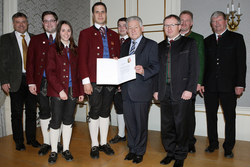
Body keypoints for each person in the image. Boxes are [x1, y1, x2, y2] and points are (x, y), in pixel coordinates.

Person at [153, 15, 199, 167]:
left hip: (182, 92)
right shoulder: (159, 46)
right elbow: (155, 71)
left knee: (181, 126)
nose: (169, 28)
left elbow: (194, 68)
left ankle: (180, 155)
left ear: (179, 26)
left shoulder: (189, 43)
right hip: (164, 92)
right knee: (167, 126)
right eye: (166, 25)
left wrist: (190, 89)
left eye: (172, 24)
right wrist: (155, 90)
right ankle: (170, 152)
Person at [78, 2, 120, 159]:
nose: (100, 14)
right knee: (94, 111)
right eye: (97, 12)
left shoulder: (114, 35)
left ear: (106, 14)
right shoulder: (85, 33)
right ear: (93, 14)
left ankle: (104, 142)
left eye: (103, 12)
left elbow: (119, 59)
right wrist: (85, 81)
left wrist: (117, 60)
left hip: (110, 80)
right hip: (93, 80)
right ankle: (94, 144)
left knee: (105, 111)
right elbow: (82, 59)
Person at [202, 11, 246, 158]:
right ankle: (213, 144)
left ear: (226, 21)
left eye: (219, 20)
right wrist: (201, 83)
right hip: (210, 87)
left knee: (230, 117)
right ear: (211, 24)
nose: (217, 23)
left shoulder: (237, 38)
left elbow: (241, 64)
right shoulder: (206, 41)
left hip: (229, 86)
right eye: (214, 21)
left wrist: (240, 84)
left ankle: (228, 147)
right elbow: (204, 65)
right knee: (211, 117)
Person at [121, 16, 159, 164]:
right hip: (125, 90)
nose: (132, 30)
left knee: (141, 123)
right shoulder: (124, 45)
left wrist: (144, 71)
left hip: (142, 90)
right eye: (129, 28)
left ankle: (140, 151)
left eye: (135, 27)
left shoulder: (151, 45)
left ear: (142, 28)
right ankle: (132, 148)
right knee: (129, 123)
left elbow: (156, 66)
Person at [0, 12, 41, 151]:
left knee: (31, 111)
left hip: (32, 81)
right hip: (14, 81)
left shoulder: (35, 39)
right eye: (18, 22)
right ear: (13, 24)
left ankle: (31, 139)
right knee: (16, 113)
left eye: (23, 21)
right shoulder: (5, 39)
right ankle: (18, 141)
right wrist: (4, 81)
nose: (21, 24)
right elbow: (2, 62)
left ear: (27, 23)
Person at [46, 20, 84, 164]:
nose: (66, 33)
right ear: (58, 32)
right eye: (63, 30)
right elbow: (50, 73)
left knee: (68, 121)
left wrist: (80, 91)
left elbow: (79, 72)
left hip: (73, 91)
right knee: (56, 121)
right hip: (57, 92)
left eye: (68, 30)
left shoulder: (76, 49)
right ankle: (54, 150)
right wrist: (60, 90)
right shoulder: (52, 49)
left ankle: (66, 149)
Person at [26, 11, 62, 156]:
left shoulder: (64, 37)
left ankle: (57, 142)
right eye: (45, 21)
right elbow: (30, 63)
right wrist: (30, 82)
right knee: (45, 112)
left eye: (51, 20)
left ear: (57, 22)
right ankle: (47, 142)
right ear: (42, 23)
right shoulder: (35, 40)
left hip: (60, 84)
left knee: (57, 113)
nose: (49, 23)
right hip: (42, 82)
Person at [179, 10, 205, 153]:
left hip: (190, 83)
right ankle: (179, 140)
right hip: (175, 85)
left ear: (192, 23)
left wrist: (198, 81)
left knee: (188, 115)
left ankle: (190, 141)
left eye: (187, 20)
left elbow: (200, 61)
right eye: (181, 20)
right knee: (176, 115)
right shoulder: (173, 38)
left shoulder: (197, 38)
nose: (184, 23)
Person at [109, 17, 128, 144]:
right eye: (119, 25)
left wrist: (123, 82)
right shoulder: (113, 41)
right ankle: (121, 134)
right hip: (115, 84)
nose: (121, 28)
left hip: (130, 83)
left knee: (131, 111)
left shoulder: (133, 41)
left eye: (124, 25)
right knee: (119, 109)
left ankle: (133, 136)